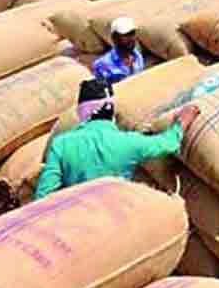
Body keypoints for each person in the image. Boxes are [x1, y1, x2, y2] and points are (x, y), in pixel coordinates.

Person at [35, 80, 199, 200]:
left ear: (81, 112)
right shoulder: (129, 142)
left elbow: (44, 196)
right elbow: (169, 143)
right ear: (113, 110)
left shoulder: (62, 144)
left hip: (77, 226)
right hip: (117, 223)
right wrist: (181, 122)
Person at [93, 18, 146, 85]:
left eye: (132, 33)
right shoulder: (102, 64)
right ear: (115, 38)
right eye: (126, 35)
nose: (132, 38)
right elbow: (103, 92)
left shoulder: (138, 56)